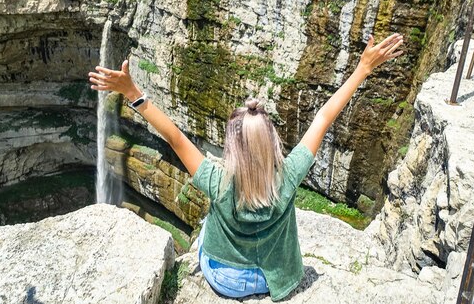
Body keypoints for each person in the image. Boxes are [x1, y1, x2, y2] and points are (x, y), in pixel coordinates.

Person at [88, 33, 404, 301]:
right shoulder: (290, 175)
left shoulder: (217, 180)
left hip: (221, 278)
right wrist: (362, 68)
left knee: (204, 232)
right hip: (272, 278)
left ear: (232, 149)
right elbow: (323, 117)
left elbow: (173, 136)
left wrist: (132, 92)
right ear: (271, 143)